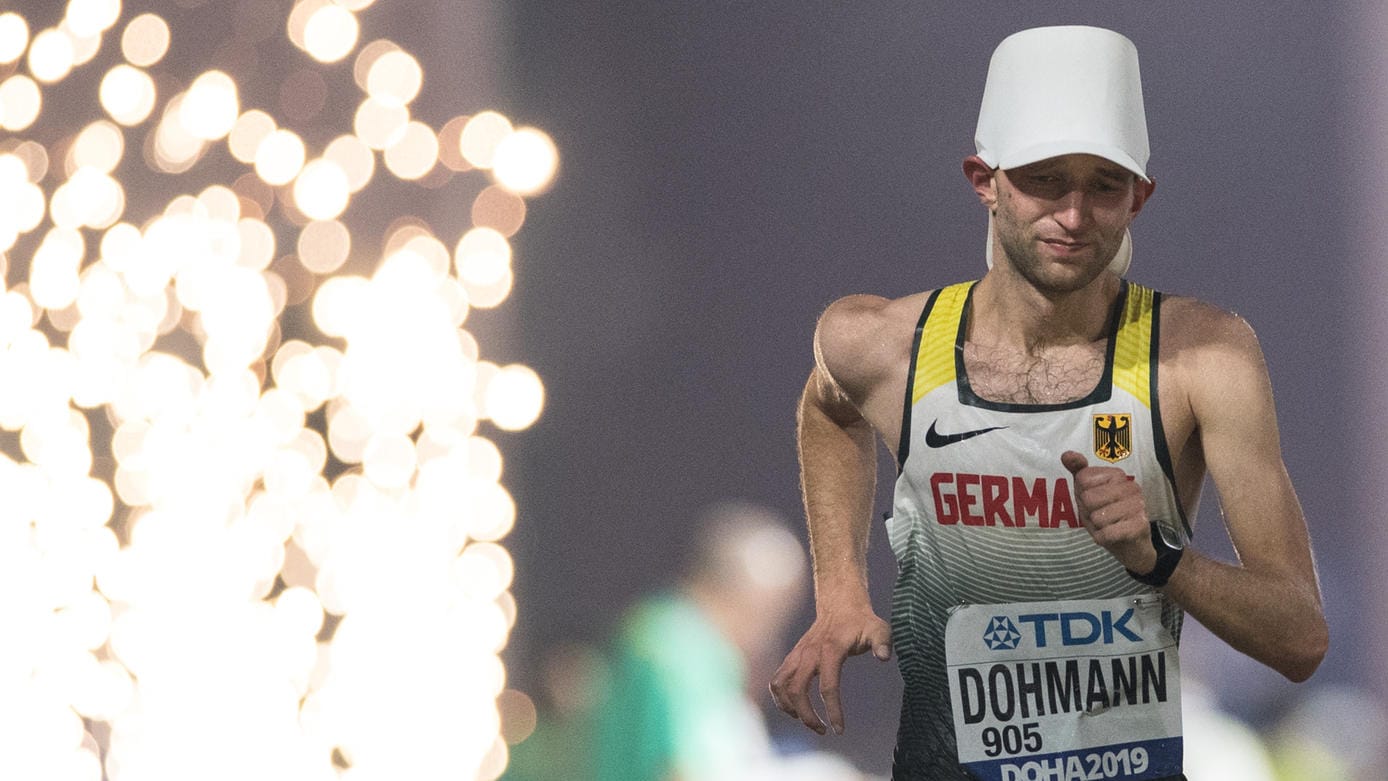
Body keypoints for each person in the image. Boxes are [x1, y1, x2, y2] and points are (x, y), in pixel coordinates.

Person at [768, 25, 1328, 781]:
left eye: (1103, 185)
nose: (1073, 214)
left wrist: (1157, 557)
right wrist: (838, 589)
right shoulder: (881, 343)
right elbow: (828, 405)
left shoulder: (1202, 361)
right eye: (1043, 180)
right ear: (984, 180)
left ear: (1140, 196)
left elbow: (1299, 639)